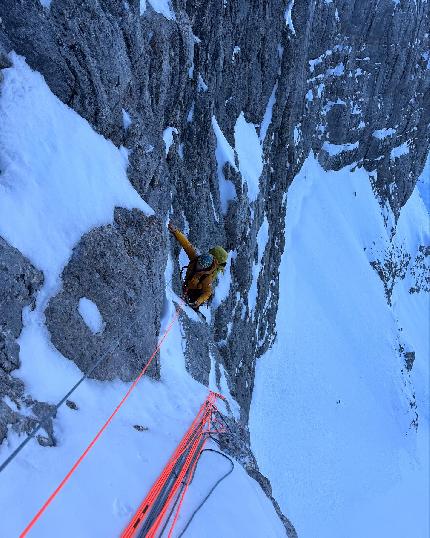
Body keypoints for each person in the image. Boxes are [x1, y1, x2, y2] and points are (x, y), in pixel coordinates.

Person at [168, 222, 228, 310]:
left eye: (201, 266)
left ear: (206, 267)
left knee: (192, 301)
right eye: (199, 263)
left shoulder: (208, 277)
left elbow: (207, 292)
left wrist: (199, 301)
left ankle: (195, 306)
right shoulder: (195, 258)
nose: (198, 266)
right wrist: (176, 231)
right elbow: (187, 245)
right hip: (188, 284)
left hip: (195, 292)